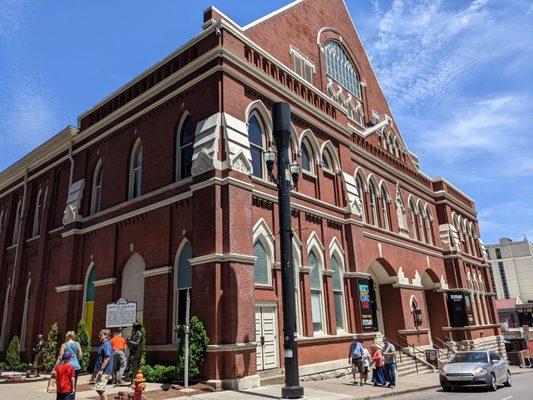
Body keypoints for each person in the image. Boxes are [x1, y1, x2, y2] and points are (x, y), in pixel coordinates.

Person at [56, 331, 83, 399]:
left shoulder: (64, 345)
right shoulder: (77, 344)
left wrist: (55, 367)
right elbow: (80, 356)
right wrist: (75, 358)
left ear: (67, 336)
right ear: (73, 336)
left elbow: (60, 357)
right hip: (76, 366)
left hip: (66, 366)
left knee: (64, 382)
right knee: (73, 384)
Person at [93, 329, 114, 400]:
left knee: (99, 388)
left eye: (101, 334)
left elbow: (107, 357)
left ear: (106, 336)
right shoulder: (103, 344)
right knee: (99, 388)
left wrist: (101, 370)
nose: (99, 336)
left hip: (105, 370)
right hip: (101, 370)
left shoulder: (106, 344)